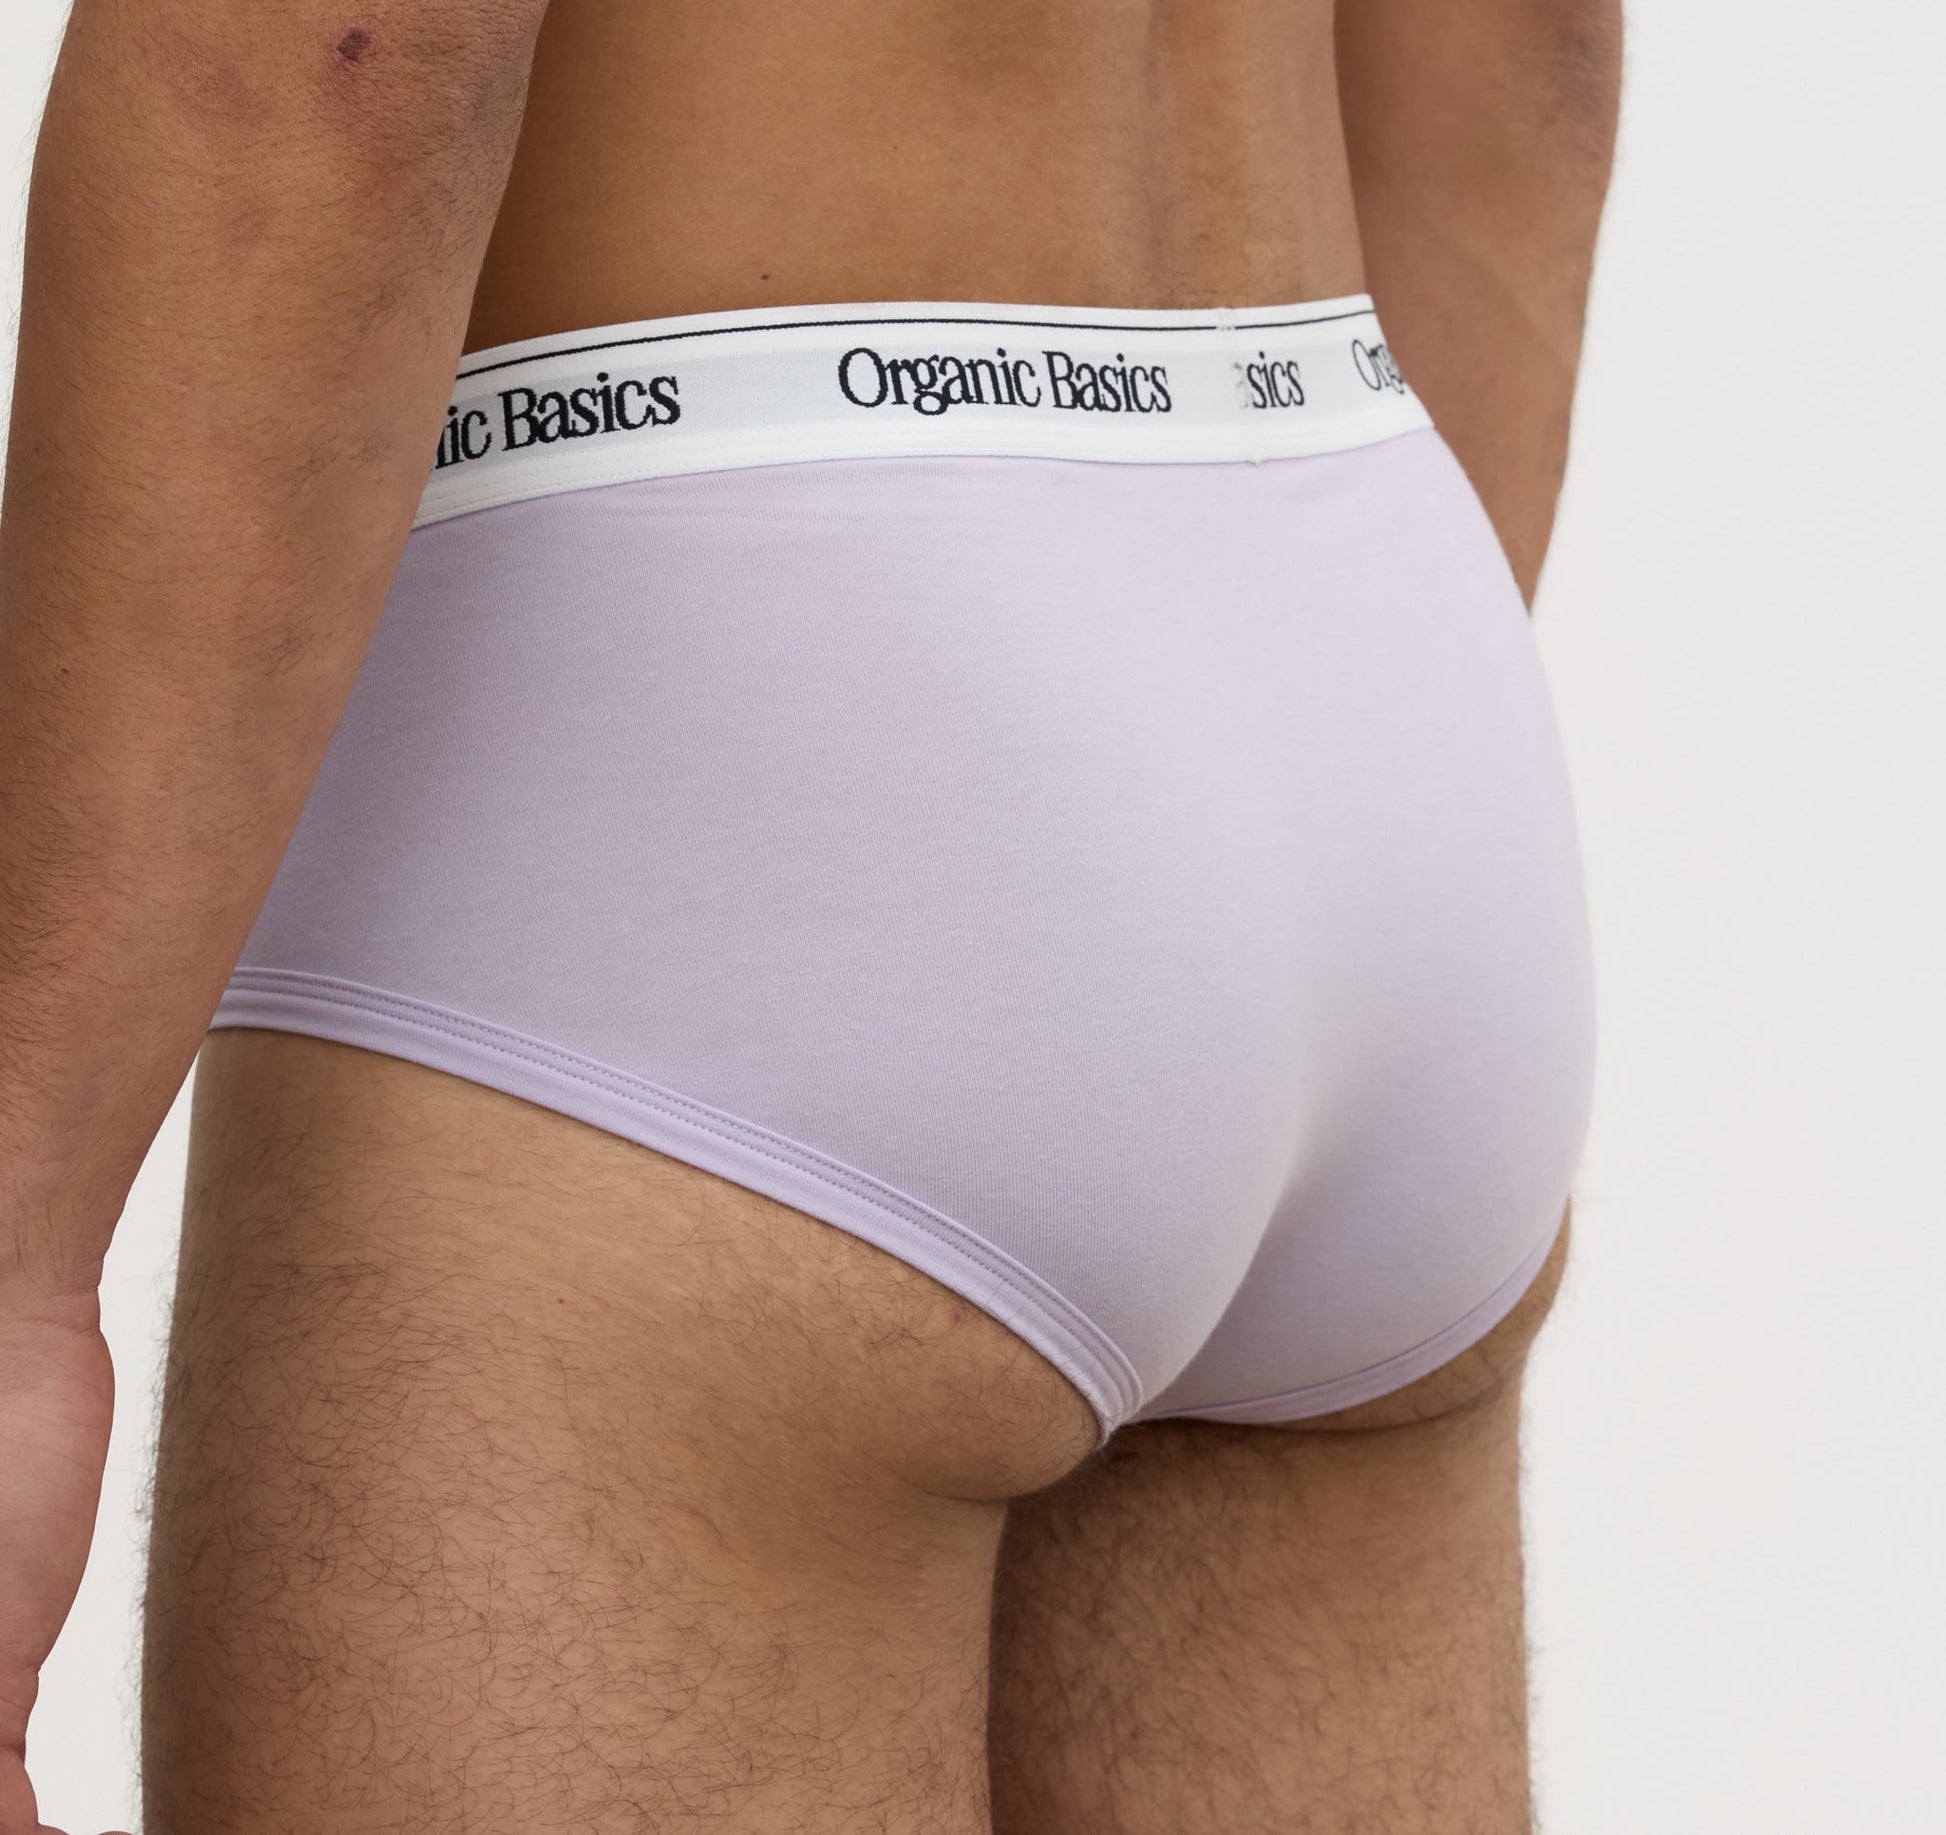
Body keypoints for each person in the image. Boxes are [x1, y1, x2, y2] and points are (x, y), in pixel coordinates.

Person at [0, 0, 1622, 1828]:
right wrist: (1286, 800)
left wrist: (18, 1257)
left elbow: (347, 48)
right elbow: (1529, 42)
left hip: (710, 699)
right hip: (1360, 573)